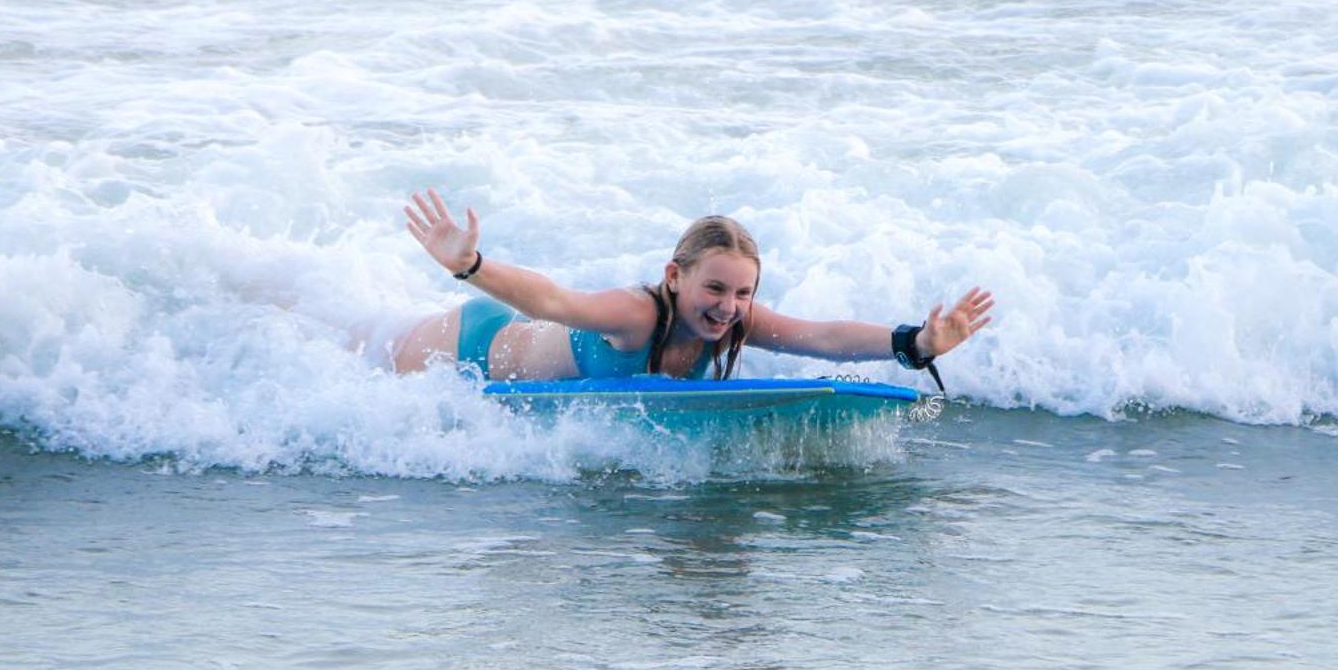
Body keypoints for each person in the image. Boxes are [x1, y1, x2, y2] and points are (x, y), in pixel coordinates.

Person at [384, 190, 994, 389]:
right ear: (675, 277)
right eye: (715, 288)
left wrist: (916, 342)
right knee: (350, 346)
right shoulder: (636, 314)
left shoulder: (730, 321)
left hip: (492, 356)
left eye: (743, 293)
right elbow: (553, 302)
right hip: (461, 347)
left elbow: (821, 338)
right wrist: (470, 266)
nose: (729, 307)